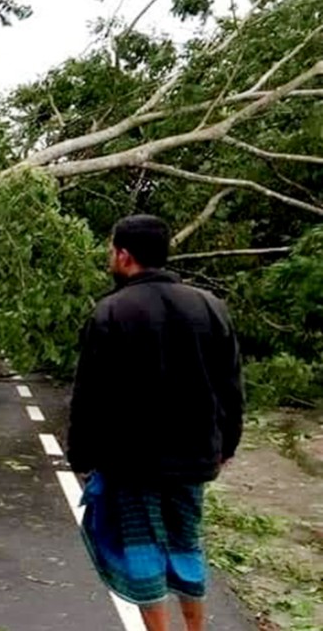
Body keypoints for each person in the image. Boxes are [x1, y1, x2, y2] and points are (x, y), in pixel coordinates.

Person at [67, 215, 244, 631]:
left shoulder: (109, 312)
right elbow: (231, 388)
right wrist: (227, 446)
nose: (110, 256)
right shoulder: (210, 307)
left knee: (143, 547)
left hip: (133, 463)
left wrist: (81, 455)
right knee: (186, 543)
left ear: (125, 256)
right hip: (195, 458)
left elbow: (89, 396)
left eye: (112, 249)